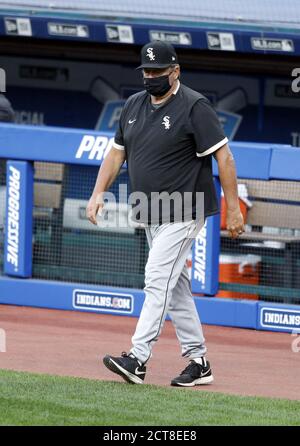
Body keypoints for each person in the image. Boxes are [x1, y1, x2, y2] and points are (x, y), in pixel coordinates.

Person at [86, 41, 244, 387]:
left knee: (157, 278)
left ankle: (138, 358)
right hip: (149, 209)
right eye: (147, 71)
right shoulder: (132, 105)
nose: (151, 76)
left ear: (175, 71)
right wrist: (98, 192)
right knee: (175, 288)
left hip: (184, 210)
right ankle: (199, 362)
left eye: (158, 71)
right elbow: (115, 155)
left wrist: (233, 207)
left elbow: (225, 158)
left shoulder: (194, 106)